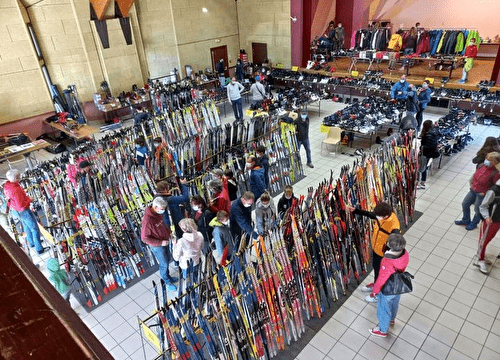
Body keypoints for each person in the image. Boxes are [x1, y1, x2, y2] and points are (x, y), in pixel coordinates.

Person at [346, 202, 400, 302]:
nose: (376, 217)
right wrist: (356, 210)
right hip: (376, 250)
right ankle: (376, 285)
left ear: (386, 216)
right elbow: (371, 215)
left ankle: (377, 294)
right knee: (376, 270)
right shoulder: (383, 215)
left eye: (378, 216)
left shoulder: (394, 226)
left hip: (384, 255)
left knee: (381, 274)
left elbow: (397, 245)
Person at [368, 234, 409, 337]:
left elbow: (381, 279)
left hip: (388, 289)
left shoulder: (387, 261)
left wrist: (375, 291)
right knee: (395, 303)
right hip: (398, 286)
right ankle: (392, 320)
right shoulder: (405, 254)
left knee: (383, 308)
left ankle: (382, 330)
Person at [455, 152, 500, 230]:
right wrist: (472, 184)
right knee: (465, 204)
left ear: (495, 162)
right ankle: (466, 220)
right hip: (473, 189)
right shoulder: (482, 166)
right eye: (487, 158)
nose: (486, 160)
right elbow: (475, 175)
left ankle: (474, 223)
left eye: (489, 160)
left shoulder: (496, 173)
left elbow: (495, 187)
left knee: (478, 210)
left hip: (482, 193)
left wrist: (485, 193)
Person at [4, 169, 45, 254]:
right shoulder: (15, 189)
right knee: (34, 228)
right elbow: (21, 205)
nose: (19, 178)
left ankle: (32, 243)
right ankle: (39, 249)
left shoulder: (8, 186)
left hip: (15, 210)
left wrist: (25, 197)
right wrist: (29, 200)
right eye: (18, 177)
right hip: (23, 211)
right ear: (14, 178)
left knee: (27, 226)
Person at [141, 197, 177, 291]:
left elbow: (162, 224)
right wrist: (160, 242)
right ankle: (167, 282)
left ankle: (168, 277)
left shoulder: (157, 214)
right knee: (164, 264)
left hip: (164, 241)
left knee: (168, 260)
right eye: (162, 209)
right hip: (157, 246)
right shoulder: (148, 221)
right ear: (155, 207)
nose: (163, 211)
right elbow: (144, 238)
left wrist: (169, 233)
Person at [477, 178, 500, 273]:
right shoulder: (494, 191)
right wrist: (486, 217)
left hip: (498, 220)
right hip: (490, 221)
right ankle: (480, 259)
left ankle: (481, 256)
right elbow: (483, 206)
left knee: (489, 239)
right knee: (484, 240)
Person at [172, 218, 204, 286]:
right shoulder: (200, 234)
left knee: (189, 283)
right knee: (198, 276)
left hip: (187, 266)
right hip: (198, 261)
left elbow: (176, 257)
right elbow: (202, 247)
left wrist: (174, 245)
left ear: (184, 229)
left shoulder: (181, 242)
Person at [418, 120, 441, 189]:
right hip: (431, 153)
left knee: (422, 167)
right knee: (425, 167)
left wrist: (421, 148)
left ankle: (421, 182)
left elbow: (427, 146)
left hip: (426, 154)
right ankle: (423, 182)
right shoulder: (433, 132)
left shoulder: (428, 135)